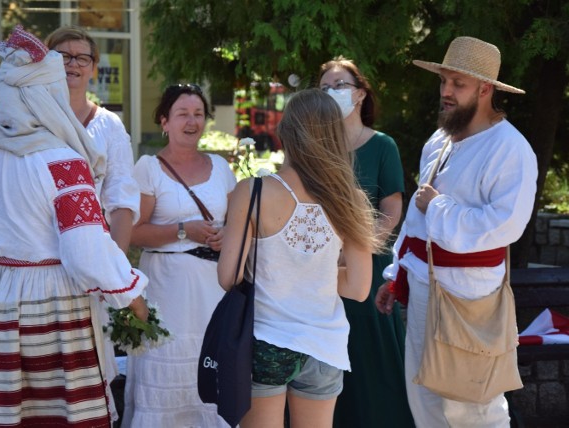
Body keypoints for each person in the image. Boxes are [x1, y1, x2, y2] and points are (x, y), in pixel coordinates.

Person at [0, 26, 149, 427]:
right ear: (47, 99)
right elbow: (86, 252)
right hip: (49, 308)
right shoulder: (63, 165)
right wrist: (131, 295)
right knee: (53, 415)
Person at [375, 36, 537, 427]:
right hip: (424, 285)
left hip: (470, 296)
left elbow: (505, 226)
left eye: (457, 84)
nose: (446, 92)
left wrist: (440, 206)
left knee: (475, 404)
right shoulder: (439, 140)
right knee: (424, 397)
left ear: (486, 89)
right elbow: (416, 223)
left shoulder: (511, 149)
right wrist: (398, 274)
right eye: (444, 81)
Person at [218, 88, 380, 428]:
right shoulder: (351, 199)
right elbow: (358, 288)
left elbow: (228, 277)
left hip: (265, 340)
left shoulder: (253, 191)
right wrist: (315, 273)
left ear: (285, 133)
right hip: (324, 345)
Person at [121, 83, 237, 427]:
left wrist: (226, 234)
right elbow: (132, 232)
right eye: (182, 114)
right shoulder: (149, 168)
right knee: (168, 367)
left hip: (212, 288)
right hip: (167, 290)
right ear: (164, 122)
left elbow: (237, 224)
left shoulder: (221, 167)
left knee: (208, 368)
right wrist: (184, 230)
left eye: (198, 114)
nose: (192, 121)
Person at [319, 57, 414, 427]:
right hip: (322, 271)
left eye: (339, 85)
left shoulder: (382, 145)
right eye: (324, 88)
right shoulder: (316, 148)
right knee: (329, 367)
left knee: (373, 363)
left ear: (360, 94)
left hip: (369, 268)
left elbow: (392, 207)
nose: (331, 93)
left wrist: (358, 250)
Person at [44, 26, 139, 253]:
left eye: (82, 58)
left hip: (86, 251)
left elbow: (121, 200)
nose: (73, 63)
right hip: (34, 251)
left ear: (94, 68)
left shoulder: (109, 125)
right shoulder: (30, 118)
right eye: (63, 56)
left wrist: (114, 269)